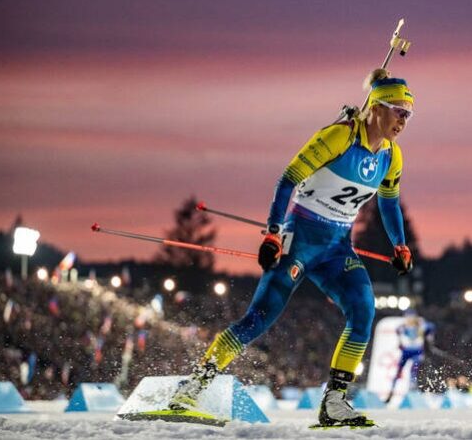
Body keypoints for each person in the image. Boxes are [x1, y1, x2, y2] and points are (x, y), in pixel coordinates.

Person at [169, 69, 415, 427]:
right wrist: (272, 233)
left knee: (364, 311)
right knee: (260, 317)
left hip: (337, 248)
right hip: (300, 239)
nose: (403, 121)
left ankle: (334, 402)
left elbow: (389, 203)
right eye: (398, 111)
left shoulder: (391, 157)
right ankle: (192, 387)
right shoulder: (338, 137)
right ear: (376, 107)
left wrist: (400, 245)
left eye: (409, 114)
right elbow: (288, 180)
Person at [385, 310, 435, 403]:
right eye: (408, 317)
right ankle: (391, 391)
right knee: (399, 370)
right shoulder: (402, 327)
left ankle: (412, 385)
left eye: (411, 317)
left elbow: (431, 327)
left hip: (417, 351)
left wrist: (428, 336)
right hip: (406, 352)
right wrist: (399, 343)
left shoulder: (421, 326)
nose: (409, 320)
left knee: (414, 366)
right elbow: (398, 334)